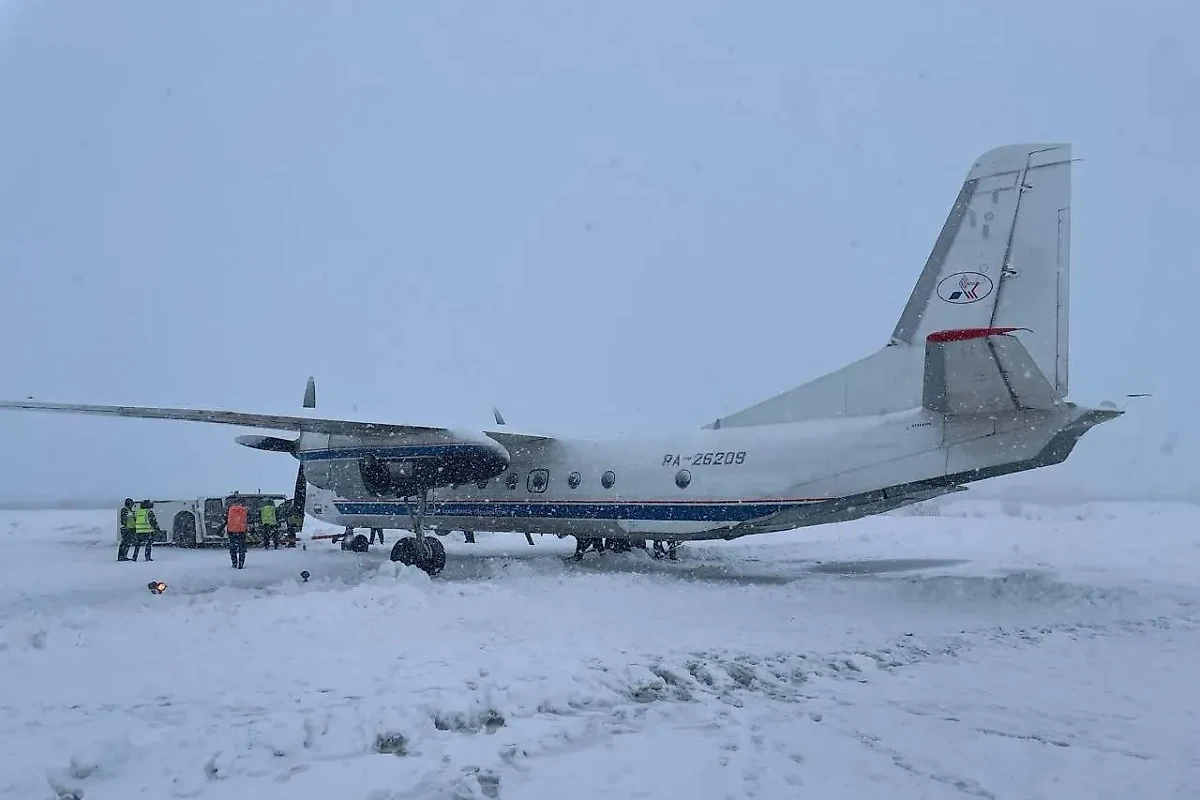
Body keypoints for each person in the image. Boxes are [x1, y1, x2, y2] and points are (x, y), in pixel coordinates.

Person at [226, 496, 248, 569]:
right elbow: (248, 520)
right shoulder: (244, 510)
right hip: (241, 531)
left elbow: (226, 519)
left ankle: (234, 563)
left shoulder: (230, 509)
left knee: (233, 548)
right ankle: (241, 564)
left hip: (231, 531)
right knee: (242, 548)